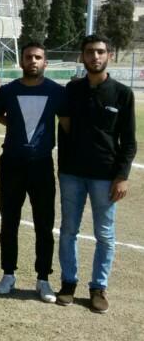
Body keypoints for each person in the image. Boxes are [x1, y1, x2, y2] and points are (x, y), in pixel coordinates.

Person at [57, 34, 136, 314]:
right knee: (69, 230)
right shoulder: (72, 89)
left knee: (104, 234)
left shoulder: (122, 94)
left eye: (101, 51)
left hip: (105, 176)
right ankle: (68, 283)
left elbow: (129, 141)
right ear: (82, 56)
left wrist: (122, 176)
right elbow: (64, 127)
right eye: (90, 51)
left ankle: (98, 287)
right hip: (72, 174)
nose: (95, 56)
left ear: (109, 55)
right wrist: (63, 166)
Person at [0, 42, 68, 303]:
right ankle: (8, 274)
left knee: (44, 224)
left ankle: (43, 279)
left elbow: (67, 124)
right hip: (11, 164)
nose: (33, 61)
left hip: (42, 165)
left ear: (45, 62)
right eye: (28, 57)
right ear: (21, 61)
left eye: (37, 57)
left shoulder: (57, 91)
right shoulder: (8, 91)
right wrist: (12, 121)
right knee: (9, 221)